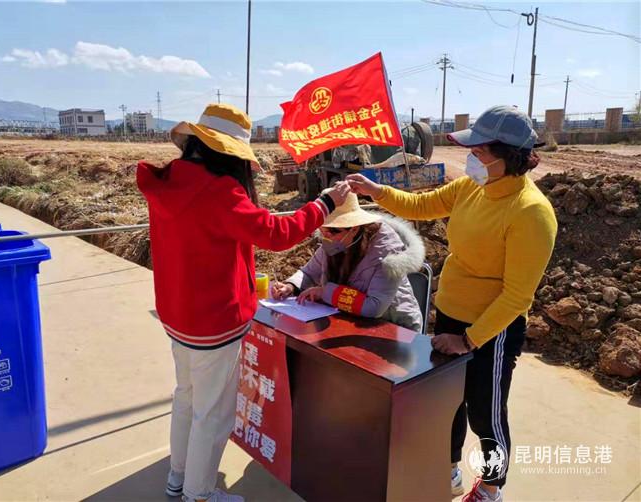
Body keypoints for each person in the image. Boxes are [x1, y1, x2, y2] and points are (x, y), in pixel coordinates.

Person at [137, 103, 349, 502]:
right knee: (213, 413)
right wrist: (324, 205)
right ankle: (199, 493)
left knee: (186, 397)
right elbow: (276, 232)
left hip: (177, 315)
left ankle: (178, 477)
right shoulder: (219, 191)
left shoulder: (170, 181)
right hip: (213, 321)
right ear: (228, 153)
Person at [346, 105, 557, 502]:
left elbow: (517, 295)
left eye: (479, 152)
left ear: (507, 156)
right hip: (450, 316)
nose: (471, 159)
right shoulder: (471, 188)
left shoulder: (531, 213)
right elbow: (423, 206)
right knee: (447, 404)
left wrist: (470, 340)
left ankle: (492, 488)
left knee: (486, 413)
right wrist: (376, 192)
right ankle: (450, 473)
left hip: (490, 330)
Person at [272, 191, 425, 332]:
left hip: (394, 327)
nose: (326, 236)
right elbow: (309, 272)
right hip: (348, 320)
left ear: (354, 228)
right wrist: (290, 286)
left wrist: (325, 292)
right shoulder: (333, 242)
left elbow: (374, 307)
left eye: (333, 231)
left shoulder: (387, 252)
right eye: (322, 230)